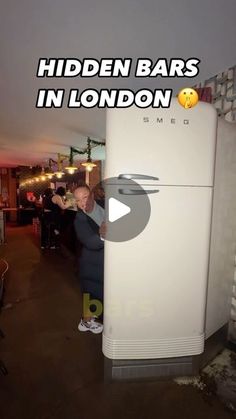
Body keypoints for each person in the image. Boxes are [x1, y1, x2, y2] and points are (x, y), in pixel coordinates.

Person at [73, 184, 105, 334]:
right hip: (92, 263)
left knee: (95, 294)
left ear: (91, 194)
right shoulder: (80, 218)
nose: (82, 202)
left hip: (104, 262)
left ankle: (87, 321)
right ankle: (86, 322)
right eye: (78, 200)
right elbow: (90, 242)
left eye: (85, 197)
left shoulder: (104, 206)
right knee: (91, 293)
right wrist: (104, 234)